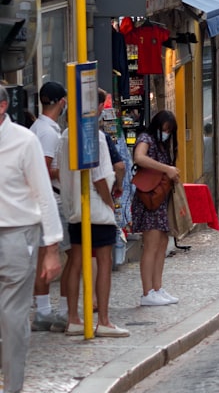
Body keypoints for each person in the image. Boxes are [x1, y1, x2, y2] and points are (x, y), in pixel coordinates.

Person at [0, 85, 63, 393]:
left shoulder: (24, 142)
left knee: (12, 318)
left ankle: (11, 388)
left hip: (17, 235)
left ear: (2, 107)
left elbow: (43, 194)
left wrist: (51, 248)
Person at [57, 123, 130, 337]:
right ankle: (104, 321)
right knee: (104, 261)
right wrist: (109, 203)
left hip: (75, 208)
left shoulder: (65, 136)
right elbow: (99, 177)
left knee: (75, 261)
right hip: (95, 207)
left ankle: (73, 318)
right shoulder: (95, 137)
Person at [29, 81, 70, 332]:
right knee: (65, 255)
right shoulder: (47, 132)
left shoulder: (40, 128)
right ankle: (52, 310)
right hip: (51, 200)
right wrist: (64, 171)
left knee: (45, 255)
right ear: (62, 102)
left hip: (46, 199)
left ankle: (44, 309)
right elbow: (42, 168)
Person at [131, 110, 183, 305]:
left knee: (161, 244)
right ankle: (147, 292)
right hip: (149, 198)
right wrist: (166, 169)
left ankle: (157, 287)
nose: (167, 133)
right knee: (151, 246)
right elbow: (139, 157)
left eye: (170, 130)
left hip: (160, 198)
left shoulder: (162, 144)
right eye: (165, 129)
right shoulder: (146, 138)